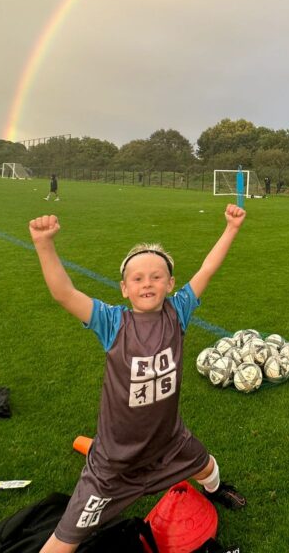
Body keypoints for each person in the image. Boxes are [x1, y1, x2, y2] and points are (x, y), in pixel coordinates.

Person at [28, 204, 248, 552]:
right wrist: (44, 243)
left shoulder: (178, 312)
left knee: (206, 465)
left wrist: (231, 229)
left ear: (171, 283)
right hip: (115, 463)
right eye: (138, 278)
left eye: (157, 276)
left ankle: (216, 490)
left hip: (169, 441)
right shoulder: (112, 322)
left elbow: (208, 268)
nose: (148, 282)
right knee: (65, 540)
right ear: (124, 288)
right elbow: (64, 293)